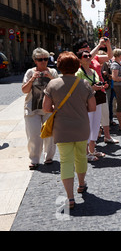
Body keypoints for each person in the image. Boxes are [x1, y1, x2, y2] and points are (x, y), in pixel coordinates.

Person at [43, 51, 96, 209]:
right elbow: (92, 107)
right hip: (81, 126)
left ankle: (70, 198)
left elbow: (46, 108)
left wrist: (59, 108)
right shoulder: (84, 83)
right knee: (81, 156)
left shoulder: (52, 84)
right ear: (76, 65)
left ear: (59, 66)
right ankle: (81, 184)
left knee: (66, 161)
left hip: (62, 128)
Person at [22, 48, 59, 170]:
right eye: (40, 59)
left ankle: (49, 157)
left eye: (45, 59)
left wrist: (50, 78)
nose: (43, 62)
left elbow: (59, 88)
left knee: (49, 133)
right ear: (35, 60)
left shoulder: (52, 71)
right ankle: (34, 159)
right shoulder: (29, 72)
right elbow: (24, 90)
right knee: (33, 134)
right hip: (32, 107)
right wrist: (32, 79)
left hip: (49, 107)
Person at [76, 50, 108, 162]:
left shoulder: (94, 71)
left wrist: (102, 85)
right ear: (79, 59)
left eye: (90, 55)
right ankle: (86, 152)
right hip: (85, 102)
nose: (89, 57)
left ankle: (92, 150)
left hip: (96, 100)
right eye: (85, 56)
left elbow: (96, 83)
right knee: (87, 126)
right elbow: (77, 89)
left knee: (96, 124)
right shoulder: (78, 72)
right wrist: (92, 88)